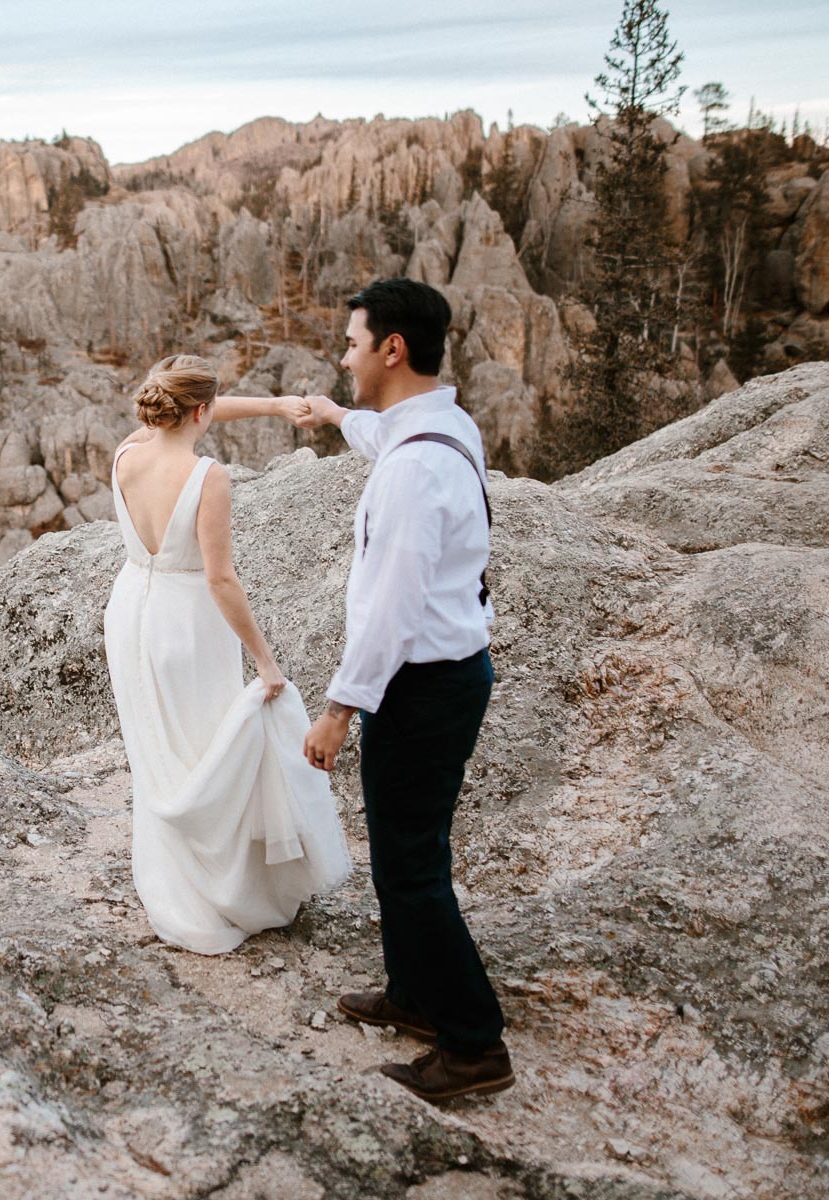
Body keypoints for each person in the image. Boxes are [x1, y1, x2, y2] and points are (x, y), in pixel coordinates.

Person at [297, 278, 513, 1101]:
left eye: (352, 342)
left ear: (392, 349)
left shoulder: (414, 472)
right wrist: (334, 414)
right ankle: (415, 994)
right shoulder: (438, 427)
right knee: (402, 855)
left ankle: (472, 1044)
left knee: (412, 868)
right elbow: (384, 435)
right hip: (442, 678)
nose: (344, 354)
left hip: (422, 686)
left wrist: (338, 710)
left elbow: (390, 607)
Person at [103, 354, 351, 955]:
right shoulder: (207, 476)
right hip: (188, 624)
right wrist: (265, 661)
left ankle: (171, 874)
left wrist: (268, 405)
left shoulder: (129, 453)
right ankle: (218, 886)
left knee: (159, 754)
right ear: (201, 412)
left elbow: (195, 406)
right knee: (209, 751)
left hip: (132, 610)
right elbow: (221, 581)